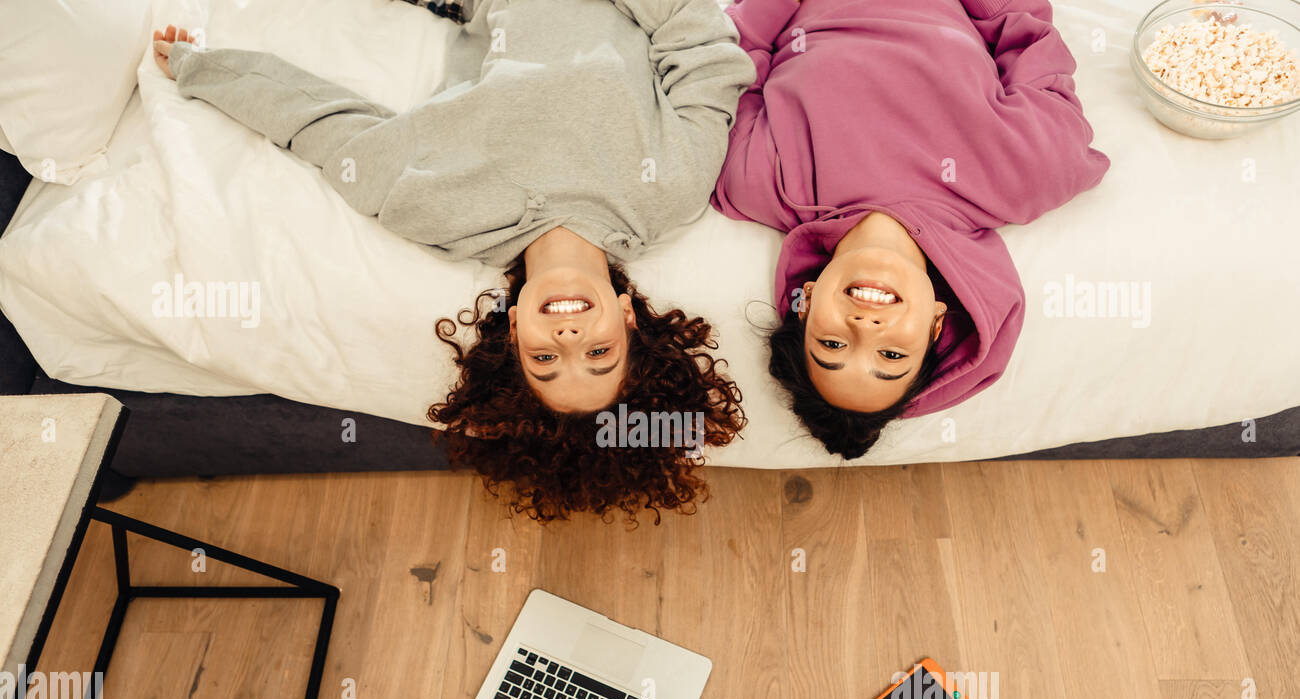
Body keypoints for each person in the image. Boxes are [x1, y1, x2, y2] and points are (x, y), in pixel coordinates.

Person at [152, 1, 754, 522]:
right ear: (628, 319)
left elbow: (322, 123)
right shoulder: (670, 192)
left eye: (547, 359)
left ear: (515, 329)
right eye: (598, 354)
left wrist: (204, 70)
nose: (569, 336)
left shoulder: (436, 211)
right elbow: (702, 45)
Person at [711, 0, 1110, 458]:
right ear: (936, 323)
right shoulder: (1028, 173)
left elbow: (736, 56)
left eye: (832, 343)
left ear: (804, 307)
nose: (866, 327)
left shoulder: (758, 181)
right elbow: (1025, 31)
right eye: (892, 356)